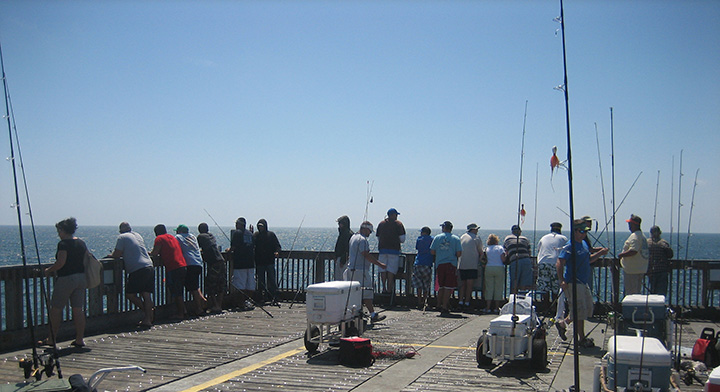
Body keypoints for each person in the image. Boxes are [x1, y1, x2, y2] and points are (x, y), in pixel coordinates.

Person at [555, 220, 608, 347]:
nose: (584, 234)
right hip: (573, 282)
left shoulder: (583, 244)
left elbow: (588, 259)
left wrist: (600, 254)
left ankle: (562, 324)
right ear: (575, 231)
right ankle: (581, 338)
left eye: (586, 231)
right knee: (579, 311)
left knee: (587, 308)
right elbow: (560, 262)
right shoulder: (569, 246)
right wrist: (562, 279)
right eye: (582, 231)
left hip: (583, 282)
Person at [40, 217, 88, 347]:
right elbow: (86, 260)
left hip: (66, 278)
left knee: (56, 309)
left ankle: (52, 339)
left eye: (59, 230)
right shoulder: (81, 243)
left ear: (63, 230)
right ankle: (79, 339)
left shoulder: (63, 244)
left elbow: (61, 263)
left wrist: (48, 270)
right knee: (78, 309)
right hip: (81, 278)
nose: (58, 233)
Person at [109, 222, 155, 327]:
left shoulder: (122, 237)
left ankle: (149, 314)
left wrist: (111, 255)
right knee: (146, 295)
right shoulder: (137, 235)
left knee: (130, 294)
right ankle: (148, 318)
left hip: (137, 268)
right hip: (149, 265)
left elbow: (117, 254)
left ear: (120, 230)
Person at [344, 221, 387, 323]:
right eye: (369, 231)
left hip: (351, 270)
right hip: (360, 271)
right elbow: (366, 255)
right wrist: (380, 264)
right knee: (367, 292)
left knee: (354, 294)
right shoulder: (362, 240)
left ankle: (355, 314)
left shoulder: (353, 237)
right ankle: (372, 314)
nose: (370, 233)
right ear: (364, 229)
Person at [149, 224, 187, 320]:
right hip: (182, 265)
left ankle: (180, 314)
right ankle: (183, 311)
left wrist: (149, 253)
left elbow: (155, 252)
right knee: (180, 290)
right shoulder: (172, 237)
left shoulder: (159, 239)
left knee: (176, 292)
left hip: (173, 267)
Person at [175, 224, 209, 316]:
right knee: (194, 285)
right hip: (198, 262)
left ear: (179, 231)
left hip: (189, 263)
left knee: (193, 288)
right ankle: (201, 302)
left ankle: (200, 307)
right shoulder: (192, 236)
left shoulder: (178, 237)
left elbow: (176, 249)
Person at [430, 221, 462, 316]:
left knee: (441, 286)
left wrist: (441, 253)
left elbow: (432, 251)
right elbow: (459, 253)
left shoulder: (437, 237)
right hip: (451, 264)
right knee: (448, 286)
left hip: (440, 264)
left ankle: (438, 304)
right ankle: (445, 306)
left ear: (444, 228)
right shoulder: (456, 239)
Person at [536, 222, 568, 310]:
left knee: (544, 287)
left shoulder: (544, 237)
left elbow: (539, 249)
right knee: (556, 287)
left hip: (543, 263)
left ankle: (545, 307)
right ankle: (554, 308)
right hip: (556, 263)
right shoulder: (563, 238)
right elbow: (567, 251)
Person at [197, 222, 227, 313]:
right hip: (221, 261)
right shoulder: (211, 235)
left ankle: (215, 305)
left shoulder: (200, 237)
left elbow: (199, 247)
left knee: (211, 284)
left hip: (214, 263)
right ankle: (219, 305)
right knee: (221, 284)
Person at [376, 208, 406, 295]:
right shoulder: (399, 224)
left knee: (382, 269)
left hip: (382, 250)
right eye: (396, 215)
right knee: (391, 270)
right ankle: (389, 289)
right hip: (394, 251)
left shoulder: (381, 224)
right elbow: (402, 239)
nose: (396, 216)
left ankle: (384, 288)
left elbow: (378, 237)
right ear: (393, 215)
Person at [617, 214, 649, 296]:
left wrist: (621, 255)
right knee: (637, 292)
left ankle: (632, 308)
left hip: (632, 271)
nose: (629, 226)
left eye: (630, 224)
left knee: (632, 294)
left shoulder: (635, 236)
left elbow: (633, 251)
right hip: (639, 269)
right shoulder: (642, 236)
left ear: (634, 225)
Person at [228, 217, 255, 310]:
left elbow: (233, 247)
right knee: (250, 284)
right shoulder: (250, 234)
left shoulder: (237, 233)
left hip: (240, 263)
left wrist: (229, 250)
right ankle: (247, 301)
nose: (235, 225)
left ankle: (241, 303)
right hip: (251, 262)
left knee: (240, 284)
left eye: (237, 223)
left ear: (240, 224)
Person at [253, 218, 282, 304]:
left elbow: (277, 246)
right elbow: (251, 244)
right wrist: (251, 233)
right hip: (260, 262)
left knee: (272, 280)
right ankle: (261, 297)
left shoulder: (271, 235)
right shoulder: (256, 235)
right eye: (259, 226)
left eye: (262, 226)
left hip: (270, 261)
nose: (260, 228)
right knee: (260, 281)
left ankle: (273, 296)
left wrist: (277, 252)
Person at [458, 223, 484, 311]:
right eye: (476, 229)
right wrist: (481, 260)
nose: (477, 231)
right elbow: (481, 252)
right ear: (473, 230)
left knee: (462, 284)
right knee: (470, 284)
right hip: (472, 264)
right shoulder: (476, 238)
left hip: (462, 264)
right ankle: (467, 302)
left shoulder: (462, 237)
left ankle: (460, 301)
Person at [502, 225, 533, 294]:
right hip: (526, 261)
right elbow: (529, 252)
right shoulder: (525, 239)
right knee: (524, 283)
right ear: (520, 232)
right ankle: (522, 298)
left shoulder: (507, 239)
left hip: (515, 261)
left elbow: (505, 252)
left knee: (514, 281)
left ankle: (513, 297)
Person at [647, 225, 674, 296]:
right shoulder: (663, 243)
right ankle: (660, 306)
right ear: (659, 233)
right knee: (661, 293)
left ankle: (652, 306)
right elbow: (670, 255)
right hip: (662, 270)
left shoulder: (647, 243)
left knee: (652, 292)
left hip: (651, 271)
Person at [483, 234, 505, 314]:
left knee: (489, 288)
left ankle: (488, 307)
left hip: (489, 268)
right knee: (498, 288)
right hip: (499, 268)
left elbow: (484, 259)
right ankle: (496, 307)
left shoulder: (487, 249)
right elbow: (503, 259)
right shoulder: (500, 248)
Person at [412, 227, 433, 309]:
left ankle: (419, 301)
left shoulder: (419, 239)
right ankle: (425, 301)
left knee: (419, 285)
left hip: (418, 262)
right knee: (426, 284)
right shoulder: (432, 239)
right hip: (427, 263)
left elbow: (417, 248)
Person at [333, 215, 353, 281]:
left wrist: (343, 260)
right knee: (338, 278)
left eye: (340, 223)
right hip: (339, 259)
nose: (339, 225)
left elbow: (347, 249)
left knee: (342, 278)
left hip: (344, 261)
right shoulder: (342, 233)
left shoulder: (348, 234)